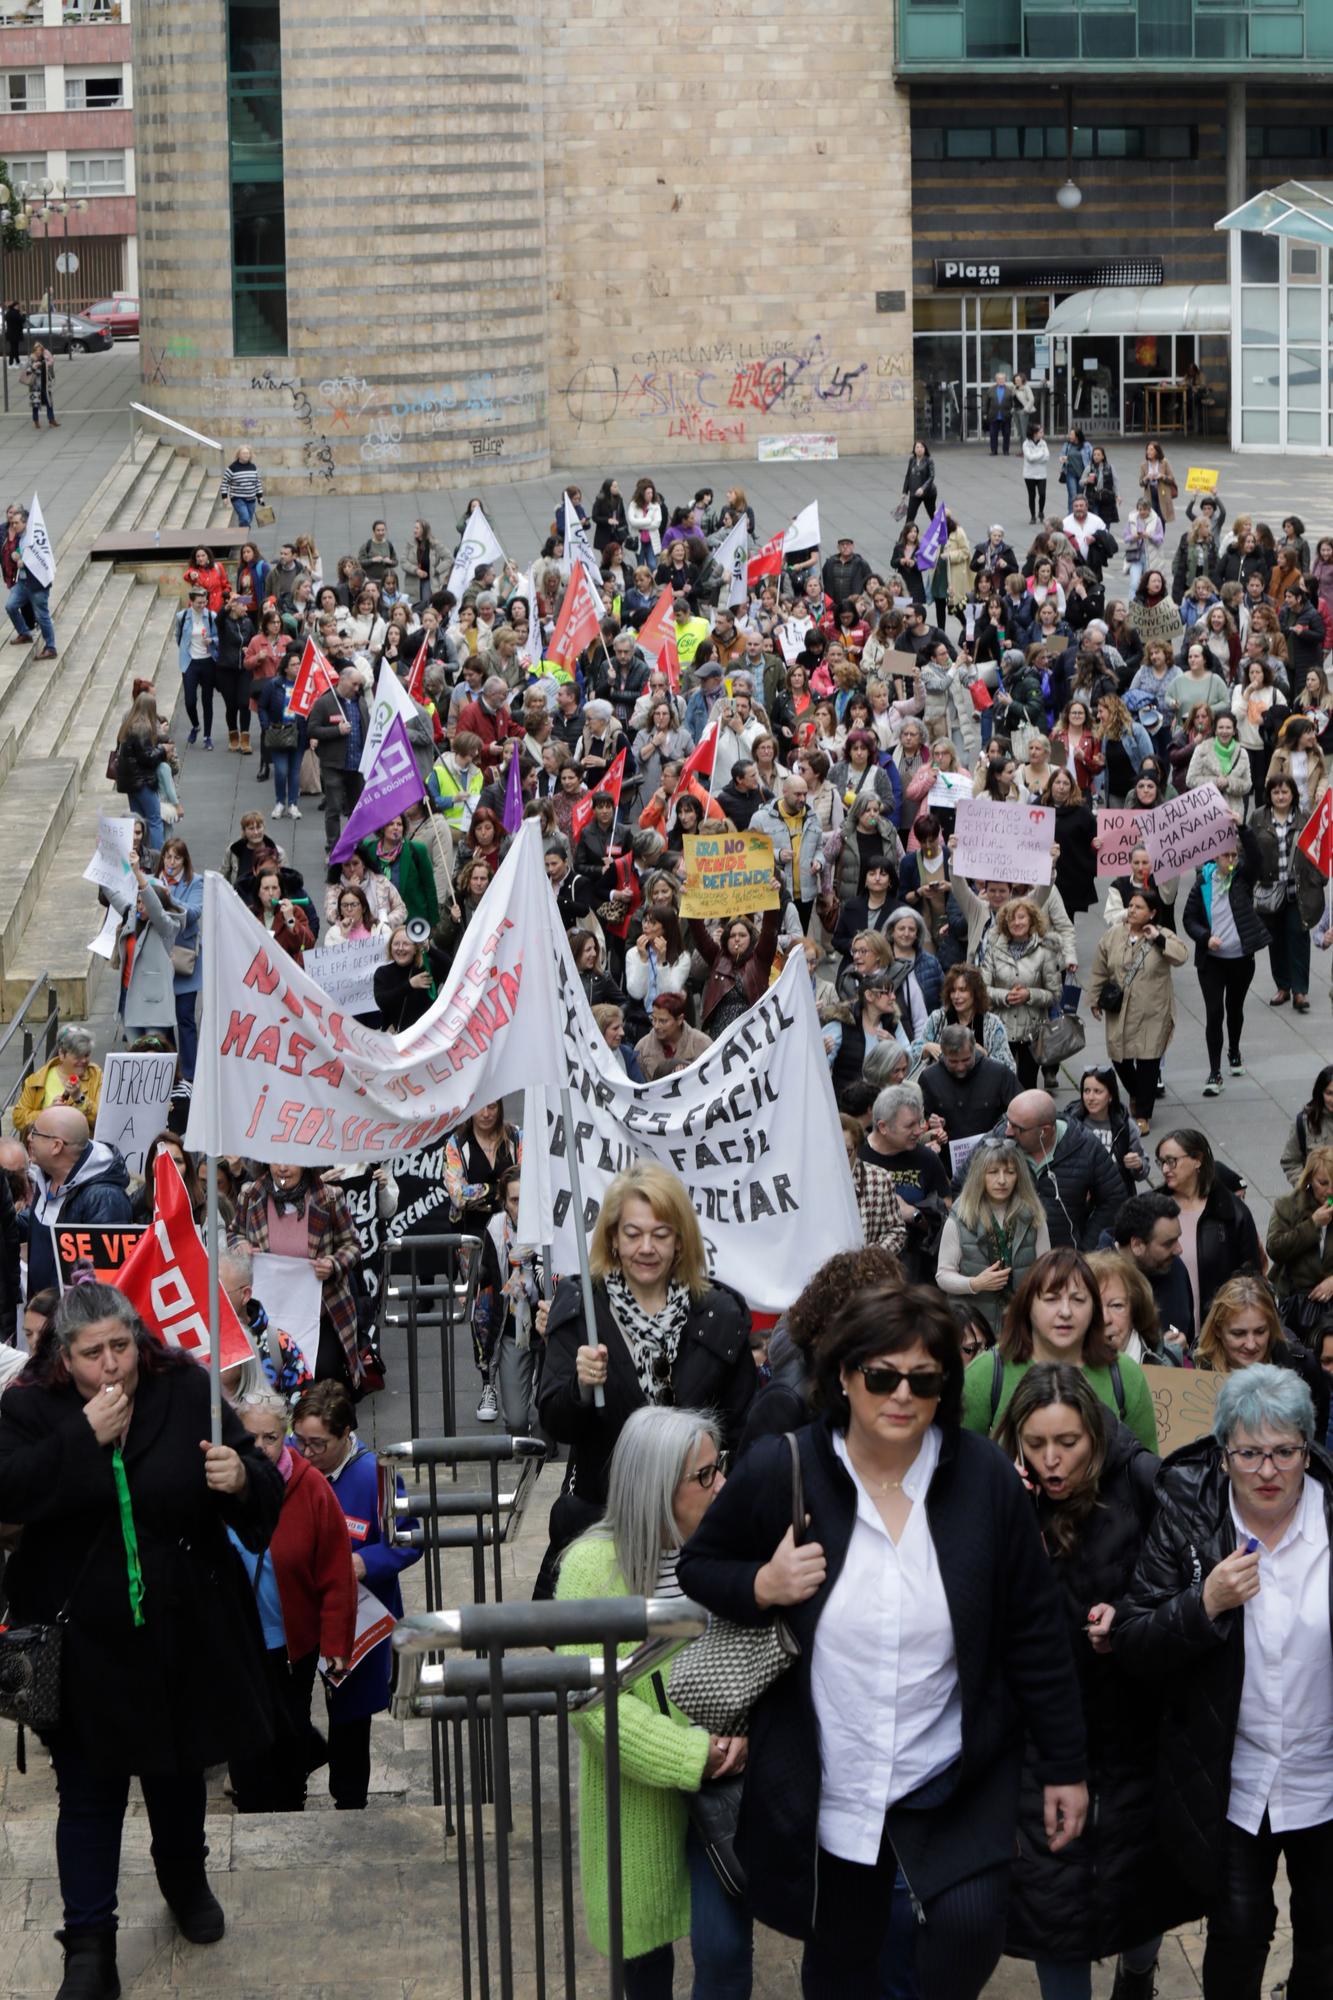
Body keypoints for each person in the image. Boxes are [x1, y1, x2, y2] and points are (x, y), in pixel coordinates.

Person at [677, 1279, 1089, 2000]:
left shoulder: (982, 1477)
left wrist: (1064, 1765)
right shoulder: (786, 1466)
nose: (901, 1395)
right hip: (830, 1777)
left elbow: (1034, 1630)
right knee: (844, 1964)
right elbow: (699, 1566)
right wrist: (761, 1586)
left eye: (923, 1379)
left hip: (953, 1773)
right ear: (843, 1376)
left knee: (967, 1929)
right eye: (881, 1375)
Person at [0, 1285, 282, 1995]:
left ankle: (184, 1879)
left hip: (181, 1629)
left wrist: (242, 1478)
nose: (111, 1366)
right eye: (92, 1354)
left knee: (178, 1773)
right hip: (84, 1642)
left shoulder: (183, 1385)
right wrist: (80, 1438)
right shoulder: (29, 1406)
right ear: (64, 1357)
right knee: (88, 1794)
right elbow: (8, 1493)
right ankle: (88, 1945)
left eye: (120, 1346)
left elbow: (258, 1483)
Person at [1117, 1365, 1333, 1999]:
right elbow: (1134, 1638)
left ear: (1307, 1448)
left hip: (1324, 1775)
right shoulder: (1188, 1511)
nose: (1268, 1470)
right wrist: (1202, 1603)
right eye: (1249, 1453)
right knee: (1239, 1929)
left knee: (1324, 1935)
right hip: (1232, 1777)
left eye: (1285, 1452)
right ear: (1223, 1454)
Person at [556, 1406, 752, 1999]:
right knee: (644, 1967)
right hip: (639, 1802)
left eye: (720, 1469)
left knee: (725, 1950)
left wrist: (746, 1732)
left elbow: (759, 1652)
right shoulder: (591, 1568)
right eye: (704, 1476)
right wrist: (695, 1753)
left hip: (726, 1791)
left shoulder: (728, 1550)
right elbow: (594, 1706)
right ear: (656, 1488)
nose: (721, 1485)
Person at [995, 1366, 1168, 2000]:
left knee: (1139, 1891)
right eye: (1035, 1444)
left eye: (1066, 1442)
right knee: (1054, 1912)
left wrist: (1131, 1621)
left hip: (1129, 1727)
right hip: (1041, 1736)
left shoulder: (1142, 1482)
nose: (1051, 1460)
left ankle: (1139, 1978)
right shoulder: (1005, 1496)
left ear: (1094, 1432)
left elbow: (1181, 1593)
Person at [535, 1164, 754, 1589]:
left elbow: (743, 1429)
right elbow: (554, 1422)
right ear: (613, 1238)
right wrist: (580, 1388)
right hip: (603, 1533)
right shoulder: (582, 1308)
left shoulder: (719, 1313)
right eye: (633, 1234)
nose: (646, 1247)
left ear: (680, 1240)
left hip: (694, 1541)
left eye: (661, 1233)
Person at [226, 1385, 356, 1814]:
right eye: (252, 1439)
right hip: (237, 1640)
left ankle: (289, 1802)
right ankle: (250, 1806)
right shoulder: (218, 1486)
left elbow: (337, 1571)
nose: (261, 1448)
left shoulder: (312, 1487)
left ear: (286, 1437)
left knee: (288, 1726)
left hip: (291, 1642)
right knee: (244, 1731)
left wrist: (337, 1643)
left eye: (271, 1437)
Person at [290, 1381, 420, 1808]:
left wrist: (365, 1563)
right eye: (299, 1440)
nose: (306, 1453)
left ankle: (350, 1802)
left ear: (347, 1435)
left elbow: (410, 1539)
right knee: (286, 1705)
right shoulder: (288, 1463)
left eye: (318, 1444)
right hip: (297, 1614)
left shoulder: (374, 1475)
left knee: (349, 1719)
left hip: (356, 1617)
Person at [963, 1245, 1158, 1448]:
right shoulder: (988, 1372)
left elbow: (1146, 1468)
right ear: (1028, 1305)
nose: (1065, 1312)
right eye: (1051, 1299)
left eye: (1078, 1300)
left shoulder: (1124, 1373)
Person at [232, 1165, 364, 1388]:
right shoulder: (250, 1195)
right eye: (276, 1160)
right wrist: (239, 1245)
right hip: (268, 1314)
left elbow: (352, 1244)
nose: (283, 1168)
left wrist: (333, 1264)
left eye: (290, 1161)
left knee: (324, 1373)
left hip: (321, 1311)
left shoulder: (329, 1197)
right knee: (268, 1376)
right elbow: (234, 1233)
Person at [1086, 886, 1189, 1133]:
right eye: (1131, 905)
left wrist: (1158, 938)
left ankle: (1143, 1113)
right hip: (1120, 1010)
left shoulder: (1162, 935)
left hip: (1152, 1011)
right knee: (1119, 1057)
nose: (1132, 910)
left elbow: (1182, 956)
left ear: (1152, 913)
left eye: (1139, 907)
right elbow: (1100, 968)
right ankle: (1138, 1094)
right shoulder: (1113, 935)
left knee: (1148, 1061)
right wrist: (1094, 998)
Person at [935, 1135, 1050, 1338]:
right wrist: (975, 1284)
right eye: (993, 1172)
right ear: (980, 1176)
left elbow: (1046, 1272)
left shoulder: (1033, 1215)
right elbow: (943, 1276)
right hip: (973, 1327)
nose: (1002, 1180)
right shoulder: (960, 1216)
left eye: (1010, 1172)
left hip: (1020, 1325)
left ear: (1019, 1176)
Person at [1182, 821, 1266, 1097]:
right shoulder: (1203, 883)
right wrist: (1205, 937)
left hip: (1241, 959)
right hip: (1212, 962)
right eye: (1224, 856)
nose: (1230, 860)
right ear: (1214, 857)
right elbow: (1189, 918)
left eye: (1233, 855)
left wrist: (1242, 828)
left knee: (1235, 1008)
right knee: (1214, 1012)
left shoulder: (1242, 878)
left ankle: (1234, 1050)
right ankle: (1214, 1072)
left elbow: (1256, 857)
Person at [1154, 1128, 1264, 1334]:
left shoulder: (1231, 1212)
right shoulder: (1152, 1208)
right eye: (1161, 1162)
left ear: (1197, 1160)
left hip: (1219, 1329)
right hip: (1166, 1331)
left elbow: (1252, 1278)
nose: (1165, 1169)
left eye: (1172, 1161)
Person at [25, 1104, 131, 1298]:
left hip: (71, 1322)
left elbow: (103, 1284)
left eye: (35, 1133)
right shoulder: (47, 1175)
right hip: (43, 1318)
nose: (29, 1138)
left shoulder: (104, 1199)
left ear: (56, 1146)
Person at [474, 1167, 547, 1435]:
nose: (522, 1207)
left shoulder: (550, 1225)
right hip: (513, 1325)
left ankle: (544, 1434)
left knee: (547, 1418)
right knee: (516, 1421)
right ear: (504, 1203)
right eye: (515, 1201)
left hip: (549, 1322)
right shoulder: (496, 1228)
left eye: (527, 1199)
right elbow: (488, 1284)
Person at [1249, 771, 1324, 1013]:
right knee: (1276, 939)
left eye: (1285, 792)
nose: (1280, 796)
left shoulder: (1304, 817)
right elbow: (1247, 848)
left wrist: (1320, 877)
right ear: (1269, 795)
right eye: (1276, 792)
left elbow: (1319, 848)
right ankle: (1283, 985)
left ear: (1293, 794)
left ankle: (1300, 990)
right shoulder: (1259, 817)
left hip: (1298, 890)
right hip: (1270, 890)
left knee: (1298, 936)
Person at [983, 897, 1062, 1089]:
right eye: (1011, 919)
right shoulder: (993, 950)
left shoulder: (1045, 951)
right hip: (1001, 1028)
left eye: (1021, 918)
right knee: (1000, 1084)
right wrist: (1004, 996)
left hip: (1032, 1031)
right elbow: (982, 989)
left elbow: (1055, 994)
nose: (1017, 923)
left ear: (1032, 920)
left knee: (1027, 1085)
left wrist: (1030, 995)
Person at [918, 1024, 1018, 1147]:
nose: (960, 1067)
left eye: (966, 1060)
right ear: (943, 1053)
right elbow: (919, 1121)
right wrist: (931, 1122)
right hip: (946, 1157)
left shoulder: (998, 1073)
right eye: (953, 1061)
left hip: (992, 1153)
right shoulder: (929, 1078)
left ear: (974, 1050)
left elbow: (1020, 1111)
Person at [1087, 1246, 1188, 1367]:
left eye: (1116, 1306)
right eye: (1094, 1306)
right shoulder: (1063, 1368)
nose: (1105, 1318)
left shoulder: (1167, 1360)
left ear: (1135, 1311)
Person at [307, 667, 369, 856]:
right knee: (333, 808)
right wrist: (336, 731)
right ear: (342, 680)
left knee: (356, 810)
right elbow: (312, 729)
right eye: (354, 684)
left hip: (356, 764)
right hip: (333, 764)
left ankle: (355, 846)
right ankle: (333, 849)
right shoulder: (325, 702)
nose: (357, 688)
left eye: (360, 685)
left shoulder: (361, 702)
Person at [689, 908, 780, 1034]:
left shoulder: (760, 960)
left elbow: (770, 931)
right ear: (726, 940)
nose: (737, 939)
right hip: (721, 1036)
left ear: (751, 939)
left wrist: (772, 901)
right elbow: (699, 936)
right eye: (732, 936)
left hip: (752, 1034)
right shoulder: (717, 958)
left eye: (742, 935)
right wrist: (689, 903)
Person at [1266, 1149, 1333, 1319]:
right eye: (1323, 1183)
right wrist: (1313, 1224)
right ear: (1310, 1179)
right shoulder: (1288, 1205)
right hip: (1297, 1301)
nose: (1330, 1191)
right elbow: (1275, 1248)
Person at [1063, 1065, 1146, 1198]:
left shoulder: (1125, 1126)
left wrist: (1138, 1165)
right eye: (1086, 1091)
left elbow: (1142, 1172)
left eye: (1097, 1091)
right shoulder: (1070, 1123)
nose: (1090, 1097)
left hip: (1116, 1199)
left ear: (1110, 1096)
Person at [12, 1024, 102, 1136]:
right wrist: (48, 1113)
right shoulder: (37, 1080)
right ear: (62, 1054)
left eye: (87, 1055)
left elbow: (103, 1121)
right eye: (78, 1056)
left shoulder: (96, 1076)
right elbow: (18, 1118)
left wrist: (80, 1099)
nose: (84, 1061)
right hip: (46, 1149)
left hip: (82, 1148)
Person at [1281, 1064, 1333, 1186]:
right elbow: (1290, 1161)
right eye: (1329, 1093)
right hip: (1317, 1200)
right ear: (1320, 1093)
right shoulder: (1305, 1122)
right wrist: (1307, 1186)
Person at [220, 445, 264, 527]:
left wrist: (260, 497)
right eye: (243, 453)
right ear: (239, 455)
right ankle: (242, 536)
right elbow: (225, 482)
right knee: (244, 518)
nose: (246, 455)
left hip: (251, 499)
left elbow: (257, 482)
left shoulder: (253, 467)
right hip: (238, 498)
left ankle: (241, 534)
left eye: (247, 453)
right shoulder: (232, 468)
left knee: (248, 520)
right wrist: (224, 497)